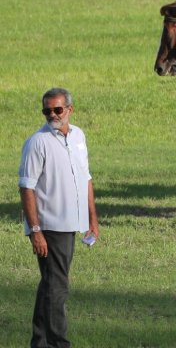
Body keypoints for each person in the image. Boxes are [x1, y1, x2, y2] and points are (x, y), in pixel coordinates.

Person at [20, 87, 99, 348]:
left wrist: (92, 219)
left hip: (71, 223)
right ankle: (57, 343)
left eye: (57, 109)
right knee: (57, 287)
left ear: (69, 109)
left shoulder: (78, 136)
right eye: (47, 111)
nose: (52, 115)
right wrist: (35, 230)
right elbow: (26, 187)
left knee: (50, 284)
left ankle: (40, 342)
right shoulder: (37, 142)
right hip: (50, 225)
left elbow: (86, 178)